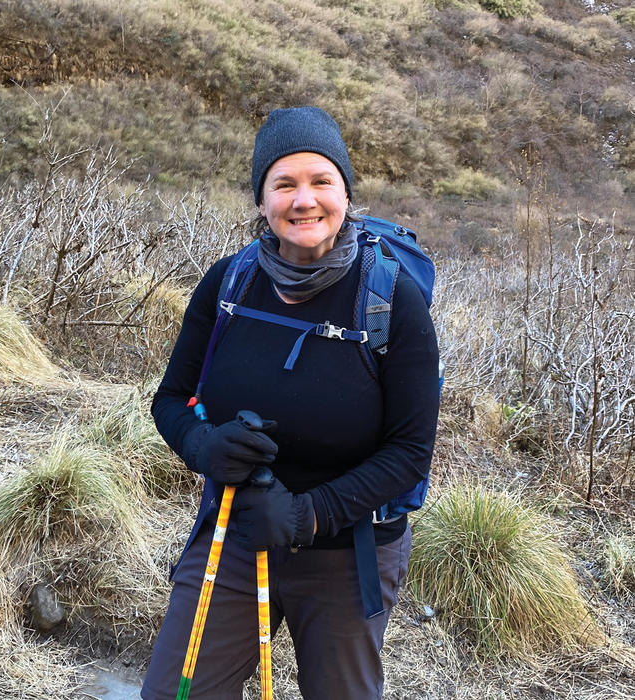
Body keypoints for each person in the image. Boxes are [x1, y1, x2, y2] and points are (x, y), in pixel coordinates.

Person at [141, 106, 439, 700]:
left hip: (348, 551)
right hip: (234, 530)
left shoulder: (391, 302)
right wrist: (204, 445)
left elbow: (409, 453)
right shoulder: (229, 283)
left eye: (321, 181)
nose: (304, 201)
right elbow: (171, 400)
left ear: (346, 193)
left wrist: (309, 516)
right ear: (261, 201)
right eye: (284, 184)